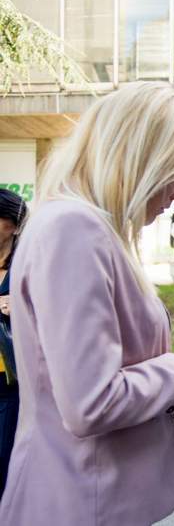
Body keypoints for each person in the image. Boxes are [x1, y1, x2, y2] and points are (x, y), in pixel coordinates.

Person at [0, 82, 174, 524]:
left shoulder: (87, 228)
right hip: (80, 503)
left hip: (94, 498)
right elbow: (90, 403)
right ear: (141, 160)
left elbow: (104, 381)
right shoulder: (73, 229)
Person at [0, 189, 27, 499]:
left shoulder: (26, 270)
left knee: (4, 467)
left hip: (10, 384)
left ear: (15, 225)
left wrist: (22, 307)